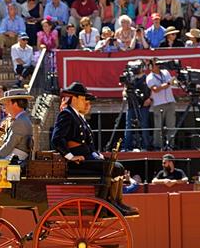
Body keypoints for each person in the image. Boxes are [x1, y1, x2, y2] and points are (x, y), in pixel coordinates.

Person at [50, 82, 139, 216]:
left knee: (118, 167)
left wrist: (97, 155)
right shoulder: (67, 114)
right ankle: (111, 204)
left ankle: (116, 202)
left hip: (87, 158)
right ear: (74, 98)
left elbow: (88, 144)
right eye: (83, 98)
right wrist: (70, 157)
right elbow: (57, 139)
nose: (85, 101)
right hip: (77, 163)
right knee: (115, 168)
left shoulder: (78, 116)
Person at [146, 58, 176, 150]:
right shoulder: (150, 77)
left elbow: (172, 82)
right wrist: (167, 83)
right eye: (155, 64)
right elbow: (155, 89)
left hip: (170, 101)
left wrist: (174, 82)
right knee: (158, 127)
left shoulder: (165, 72)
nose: (158, 65)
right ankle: (158, 146)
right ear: (151, 66)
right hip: (159, 104)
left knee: (171, 126)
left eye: (158, 63)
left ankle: (171, 145)